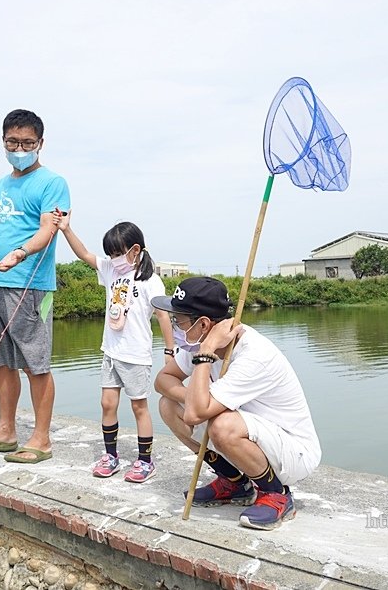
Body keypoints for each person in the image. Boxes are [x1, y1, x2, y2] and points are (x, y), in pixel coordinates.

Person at [153, 276, 321, 530]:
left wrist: (207, 352)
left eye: (179, 320)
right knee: (168, 405)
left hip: (292, 452)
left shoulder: (252, 355)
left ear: (204, 324)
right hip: (252, 437)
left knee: (221, 424)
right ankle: (234, 482)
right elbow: (163, 380)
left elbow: (195, 415)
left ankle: (276, 493)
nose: (174, 326)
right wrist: (194, 394)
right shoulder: (197, 344)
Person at [0, 109, 70, 464]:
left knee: (34, 363)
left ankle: (41, 439)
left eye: (27, 143)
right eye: (13, 142)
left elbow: (47, 229)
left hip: (30, 284)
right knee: (1, 362)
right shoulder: (0, 185)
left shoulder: (53, 183)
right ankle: (5, 431)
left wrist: (20, 254)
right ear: (3, 142)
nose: (19, 148)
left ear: (40, 144)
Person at [58, 217, 174, 483]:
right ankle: (111, 456)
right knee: (107, 403)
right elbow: (84, 254)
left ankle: (145, 461)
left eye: (118, 253)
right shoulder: (110, 271)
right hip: (110, 352)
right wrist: (66, 229)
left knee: (138, 407)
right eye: (111, 253)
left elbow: (163, 316)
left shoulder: (150, 280)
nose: (114, 258)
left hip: (135, 355)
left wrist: (170, 351)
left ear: (135, 250)